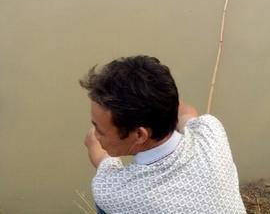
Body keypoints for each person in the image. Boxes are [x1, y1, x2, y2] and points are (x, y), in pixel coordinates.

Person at [80, 55, 246, 213]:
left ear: (139, 135)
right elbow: (186, 113)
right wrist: (157, 94)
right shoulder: (211, 132)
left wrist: (93, 142)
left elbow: (105, 163)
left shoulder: (113, 192)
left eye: (99, 129)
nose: (96, 133)